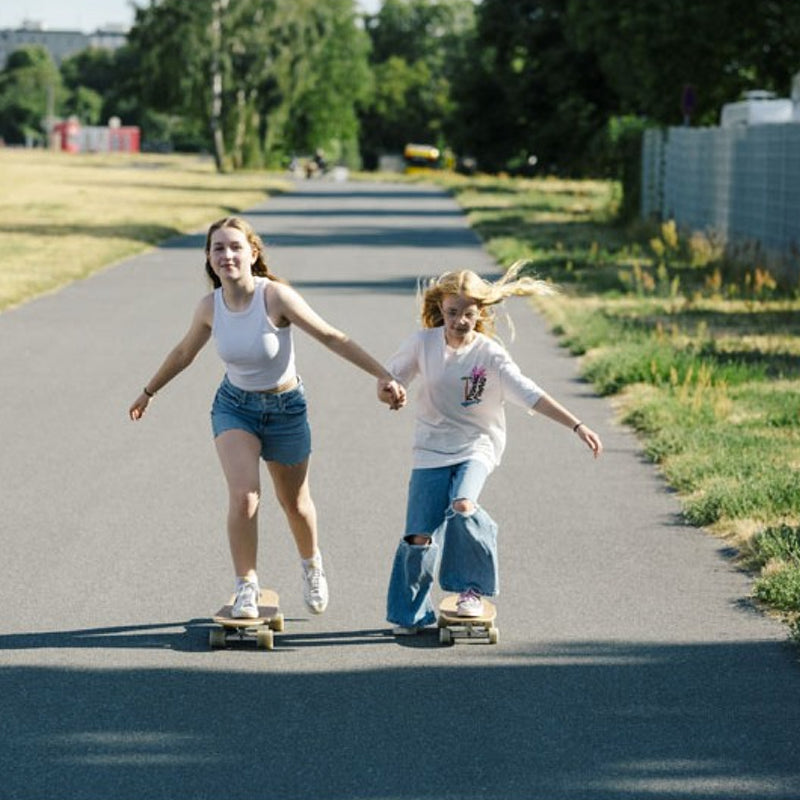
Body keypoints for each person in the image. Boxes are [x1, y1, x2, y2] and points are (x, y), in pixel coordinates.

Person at [129, 215, 405, 619]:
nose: (227, 255)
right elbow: (184, 353)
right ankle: (247, 587)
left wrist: (384, 374)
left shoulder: (274, 297)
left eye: (235, 247)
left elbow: (331, 336)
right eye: (218, 248)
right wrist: (148, 391)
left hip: (286, 409)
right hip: (234, 406)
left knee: (295, 503)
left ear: (252, 252)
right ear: (208, 257)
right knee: (245, 498)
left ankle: (312, 566)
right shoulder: (209, 307)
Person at [382, 263, 602, 634]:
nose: (460, 321)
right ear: (441, 310)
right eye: (452, 313)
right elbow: (390, 376)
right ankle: (413, 613)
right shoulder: (423, 343)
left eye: (468, 314)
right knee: (419, 535)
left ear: (479, 314)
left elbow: (530, 393)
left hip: (476, 446)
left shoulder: (490, 355)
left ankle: (471, 589)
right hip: (430, 449)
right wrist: (391, 392)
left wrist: (576, 424)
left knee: (463, 506)